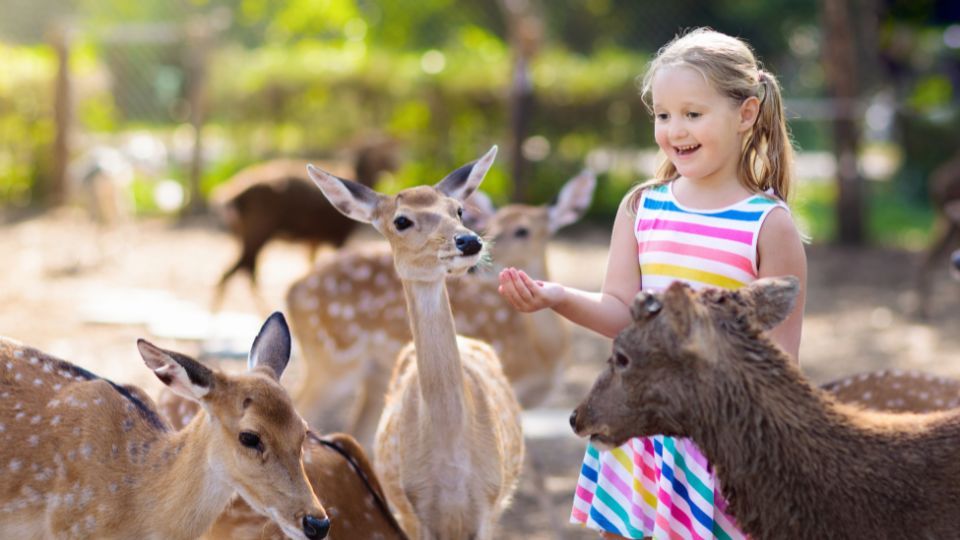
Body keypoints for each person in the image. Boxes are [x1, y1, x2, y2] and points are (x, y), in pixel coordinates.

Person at [498, 27, 807, 539]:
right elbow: (622, 312)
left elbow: (780, 364)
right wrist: (555, 296)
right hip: (641, 438)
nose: (674, 130)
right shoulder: (643, 207)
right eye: (662, 115)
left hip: (722, 448)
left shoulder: (768, 225)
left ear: (746, 114)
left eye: (692, 113)